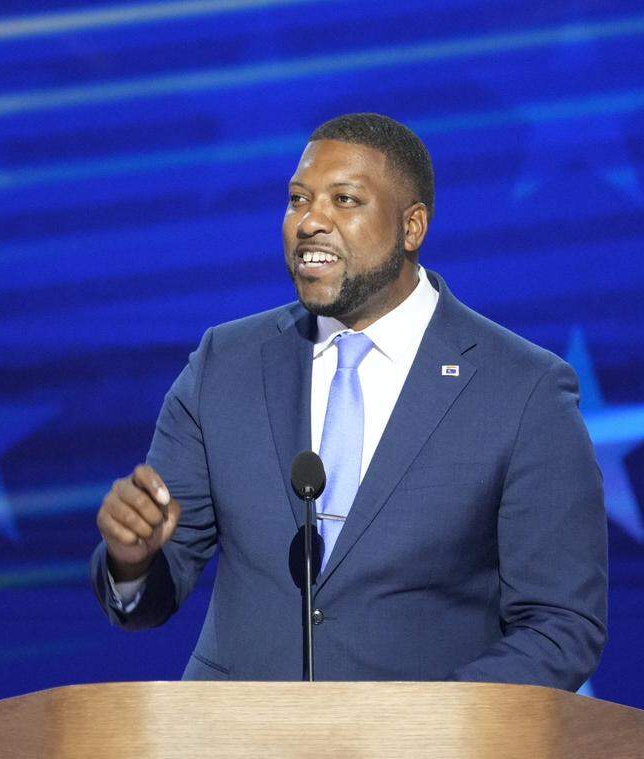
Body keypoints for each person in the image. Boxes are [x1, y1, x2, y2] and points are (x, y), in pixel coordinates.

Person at [91, 113, 607, 687]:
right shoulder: (225, 363)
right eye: (297, 199)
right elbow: (151, 593)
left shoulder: (522, 391)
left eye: (344, 200)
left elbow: (560, 626)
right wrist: (132, 560)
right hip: (233, 736)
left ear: (411, 228)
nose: (310, 221)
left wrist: (424, 730)